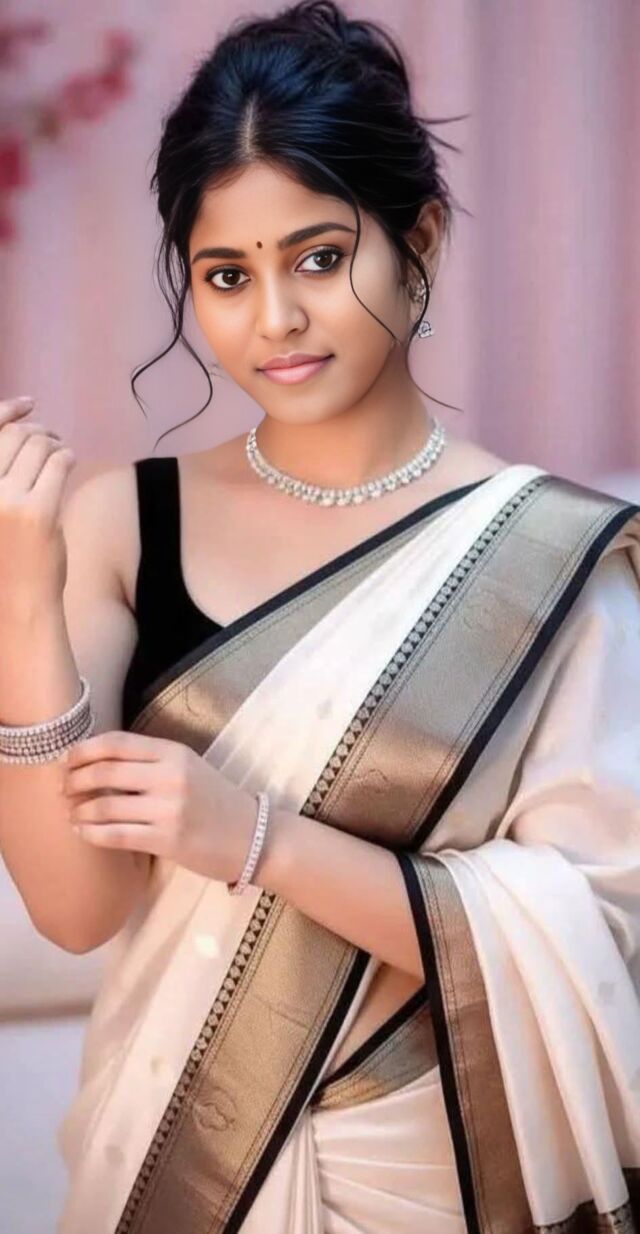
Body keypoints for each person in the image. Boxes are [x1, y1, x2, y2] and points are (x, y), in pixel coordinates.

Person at [0, 2, 639, 1231]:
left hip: (429, 1173)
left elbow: (594, 936)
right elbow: (76, 911)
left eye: (318, 258)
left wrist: (254, 837)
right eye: (225, 276)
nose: (275, 321)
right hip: (177, 1156)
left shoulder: (547, 559)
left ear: (419, 241)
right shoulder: (123, 523)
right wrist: (20, 599)